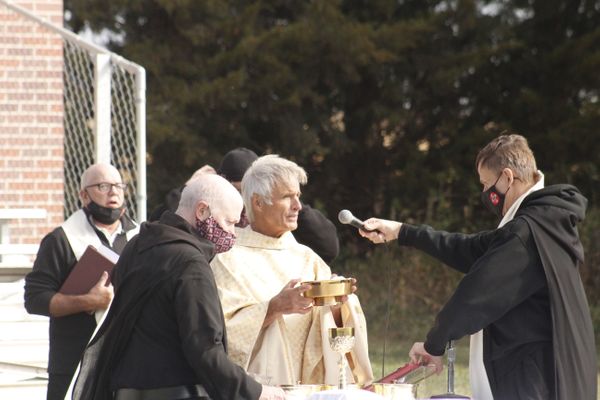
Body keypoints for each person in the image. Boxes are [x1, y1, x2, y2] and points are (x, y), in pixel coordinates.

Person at [359, 134, 596, 400]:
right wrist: (402, 231)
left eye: (486, 184)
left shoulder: (526, 233)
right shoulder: (543, 220)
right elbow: (471, 249)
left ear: (507, 177)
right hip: (550, 368)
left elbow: (475, 297)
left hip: (532, 376)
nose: (485, 193)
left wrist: (434, 344)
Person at [71, 174, 285, 400]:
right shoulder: (191, 263)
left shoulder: (138, 245)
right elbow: (204, 348)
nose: (232, 234)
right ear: (202, 211)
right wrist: (257, 392)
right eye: (229, 222)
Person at [210, 155, 373, 386]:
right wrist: (274, 308)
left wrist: (338, 306)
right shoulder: (227, 260)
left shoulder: (308, 259)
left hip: (310, 386)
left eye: (298, 196)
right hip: (259, 388)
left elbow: (333, 333)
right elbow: (219, 335)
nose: (297, 206)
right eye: (287, 197)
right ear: (257, 203)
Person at [24, 163, 139, 400]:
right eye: (103, 186)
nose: (114, 192)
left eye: (119, 185)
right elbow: (35, 299)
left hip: (124, 361)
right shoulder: (61, 239)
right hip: (74, 361)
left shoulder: (138, 238)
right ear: (83, 195)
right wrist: (88, 301)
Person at [150, 147, 340, 262]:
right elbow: (159, 229)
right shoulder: (208, 214)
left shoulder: (276, 208)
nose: (243, 202)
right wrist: (187, 188)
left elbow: (328, 247)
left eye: (251, 192)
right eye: (240, 191)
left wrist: (286, 197)